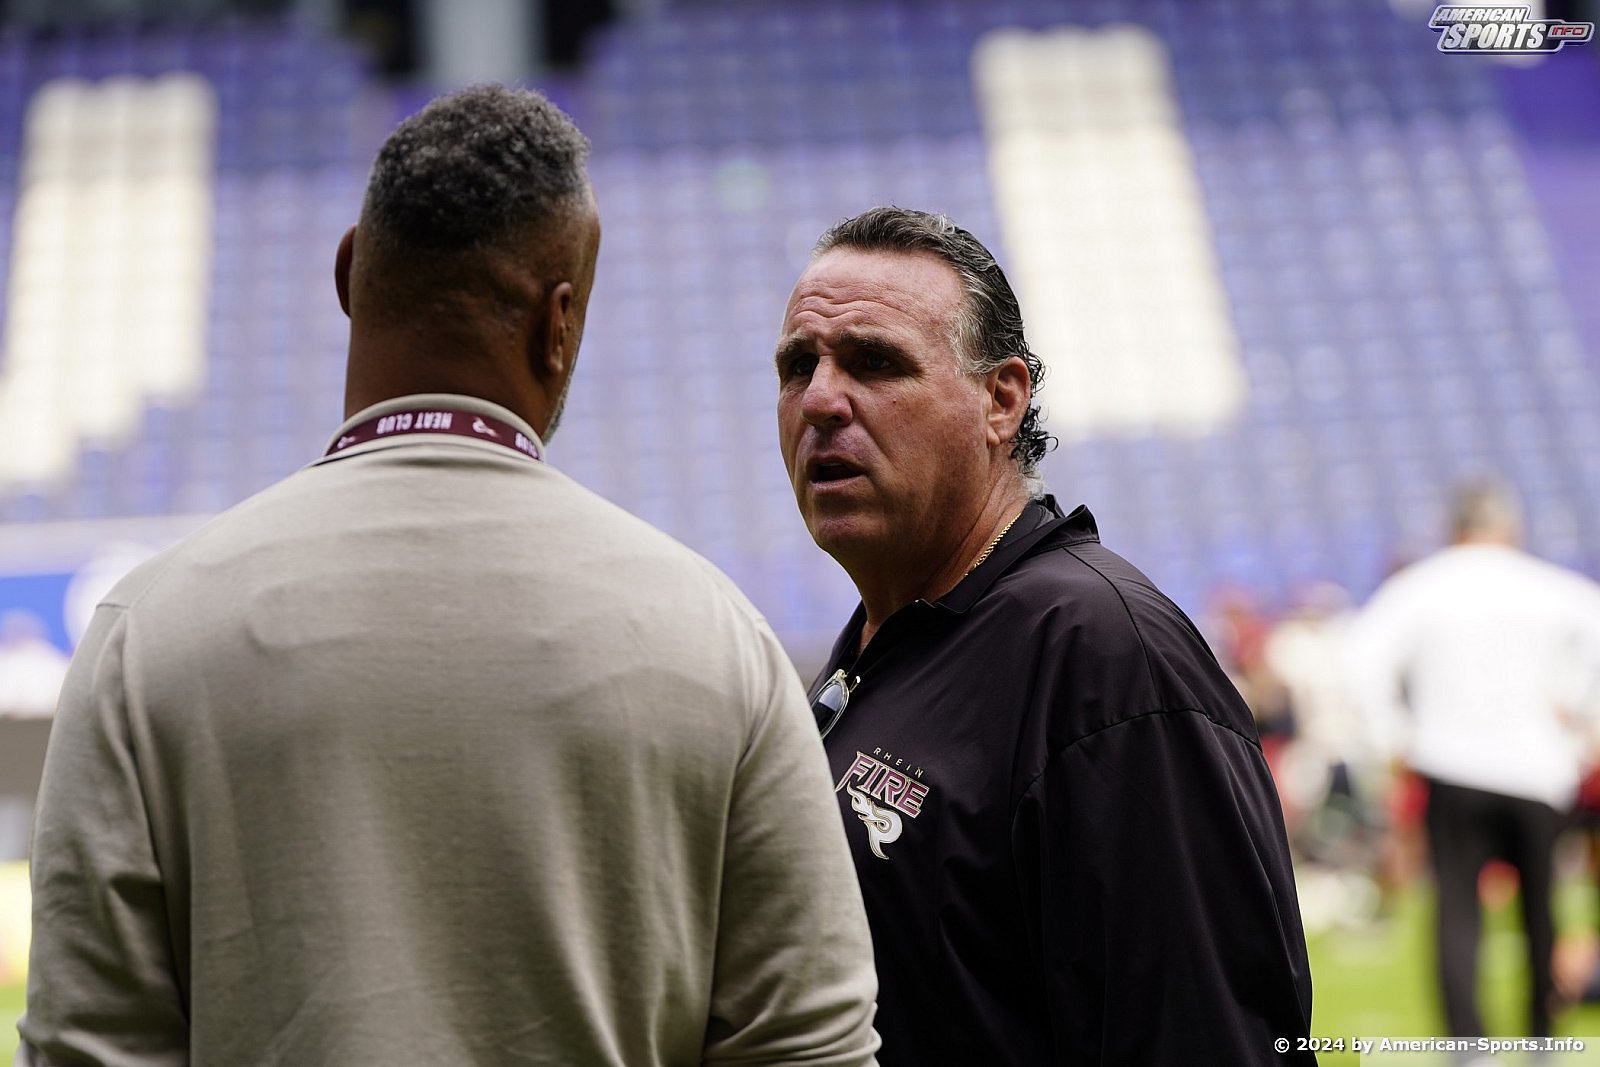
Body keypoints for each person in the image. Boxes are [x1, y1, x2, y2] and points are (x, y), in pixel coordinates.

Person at [18, 85, 880, 1067]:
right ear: (559, 323)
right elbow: (809, 1047)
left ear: (349, 272)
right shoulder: (720, 641)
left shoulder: (146, 631)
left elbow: (87, 1044)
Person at [774, 206, 1314, 1065]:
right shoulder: (892, 634)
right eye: (798, 365)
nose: (820, 400)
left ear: (1001, 400)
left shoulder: (1106, 657)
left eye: (875, 362)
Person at [1346, 480, 1600, 1038]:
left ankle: (1468, 1042)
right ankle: (1541, 1034)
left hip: (1452, 765)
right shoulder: (1548, 585)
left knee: (1458, 908)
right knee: (1541, 907)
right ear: (1510, 526)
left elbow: (1360, 657)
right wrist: (1580, 715)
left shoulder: (1425, 584)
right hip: (1538, 769)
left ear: (1454, 527)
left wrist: (1395, 737)